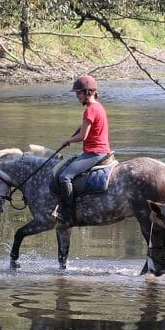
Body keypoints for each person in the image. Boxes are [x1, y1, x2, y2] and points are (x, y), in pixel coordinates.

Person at [53, 75, 111, 225]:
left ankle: (67, 213)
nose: (77, 97)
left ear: (87, 92)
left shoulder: (90, 110)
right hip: (99, 150)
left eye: (78, 93)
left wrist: (68, 140)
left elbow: (83, 136)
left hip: (95, 152)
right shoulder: (98, 106)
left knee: (64, 177)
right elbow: (90, 129)